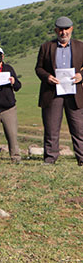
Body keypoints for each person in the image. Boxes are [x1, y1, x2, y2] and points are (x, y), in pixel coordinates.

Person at [35, 16, 83, 165]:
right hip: (52, 92)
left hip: (74, 92)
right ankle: (50, 158)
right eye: (60, 29)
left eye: (66, 29)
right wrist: (47, 77)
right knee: (51, 128)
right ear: (56, 30)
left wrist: (81, 75)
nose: (63, 32)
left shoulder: (80, 46)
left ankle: (82, 158)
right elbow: (38, 68)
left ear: (71, 29)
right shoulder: (46, 47)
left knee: (79, 128)